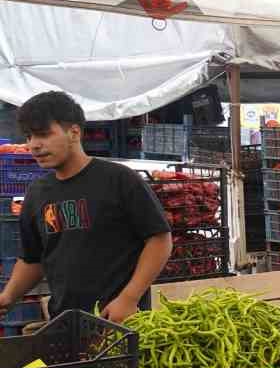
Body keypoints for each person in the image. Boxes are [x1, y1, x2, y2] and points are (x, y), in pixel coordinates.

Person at [0, 91, 172, 323]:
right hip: (64, 321)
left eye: (43, 135)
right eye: (29, 136)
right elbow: (33, 258)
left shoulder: (118, 179)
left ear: (74, 132)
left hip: (120, 320)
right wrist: (8, 297)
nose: (34, 145)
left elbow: (159, 240)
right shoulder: (37, 193)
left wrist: (129, 298)